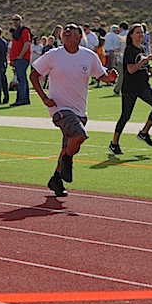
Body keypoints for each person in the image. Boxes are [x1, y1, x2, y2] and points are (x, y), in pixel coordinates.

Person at [30, 24, 117, 197]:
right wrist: (45, 98)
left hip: (80, 110)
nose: (67, 30)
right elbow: (34, 75)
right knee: (79, 135)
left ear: (80, 35)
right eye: (65, 29)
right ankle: (67, 161)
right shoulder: (53, 55)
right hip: (59, 108)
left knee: (67, 147)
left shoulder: (89, 56)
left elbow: (102, 76)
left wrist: (111, 77)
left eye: (72, 28)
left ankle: (56, 179)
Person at [109, 23, 152, 155]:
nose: (141, 34)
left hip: (143, 86)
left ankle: (144, 132)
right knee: (126, 116)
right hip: (130, 88)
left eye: (142, 32)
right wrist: (143, 61)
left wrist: (149, 68)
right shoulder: (130, 50)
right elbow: (131, 69)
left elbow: (144, 64)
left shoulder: (144, 48)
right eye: (138, 32)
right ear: (131, 35)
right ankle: (114, 143)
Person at [8, 14, 32, 106]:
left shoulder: (24, 31)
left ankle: (21, 99)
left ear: (21, 21)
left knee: (21, 79)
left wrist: (21, 55)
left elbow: (27, 43)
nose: (15, 21)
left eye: (17, 20)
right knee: (23, 79)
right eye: (14, 20)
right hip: (18, 59)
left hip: (22, 58)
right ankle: (25, 98)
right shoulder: (16, 33)